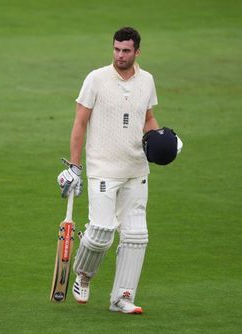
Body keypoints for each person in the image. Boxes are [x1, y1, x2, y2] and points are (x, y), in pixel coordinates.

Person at [57, 27, 181, 314]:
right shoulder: (96, 79)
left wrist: (164, 140)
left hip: (136, 169)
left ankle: (122, 297)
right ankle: (83, 275)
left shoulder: (147, 80)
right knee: (101, 231)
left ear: (137, 51)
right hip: (103, 167)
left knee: (136, 235)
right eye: (116, 49)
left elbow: (147, 118)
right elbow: (79, 123)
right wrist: (75, 166)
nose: (120, 55)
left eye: (126, 51)